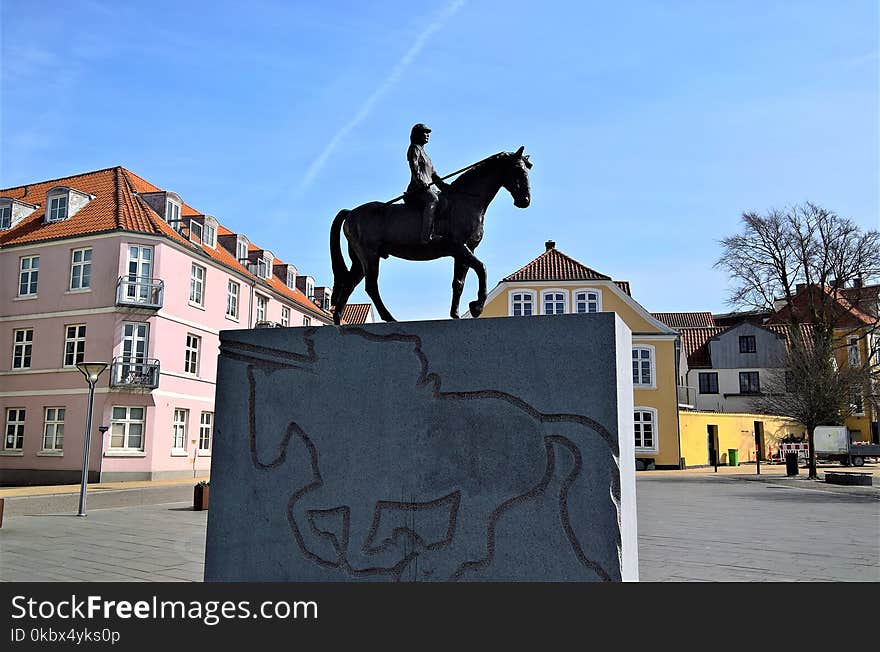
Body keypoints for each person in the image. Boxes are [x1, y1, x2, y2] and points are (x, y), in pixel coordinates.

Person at [406, 123, 447, 242]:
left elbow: (434, 175)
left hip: (428, 188)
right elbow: (414, 168)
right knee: (433, 199)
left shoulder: (426, 156)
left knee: (444, 199)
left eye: (428, 133)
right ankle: (426, 235)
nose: (427, 135)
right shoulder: (414, 148)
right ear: (417, 134)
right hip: (417, 189)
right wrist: (421, 182)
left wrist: (444, 186)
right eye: (424, 132)